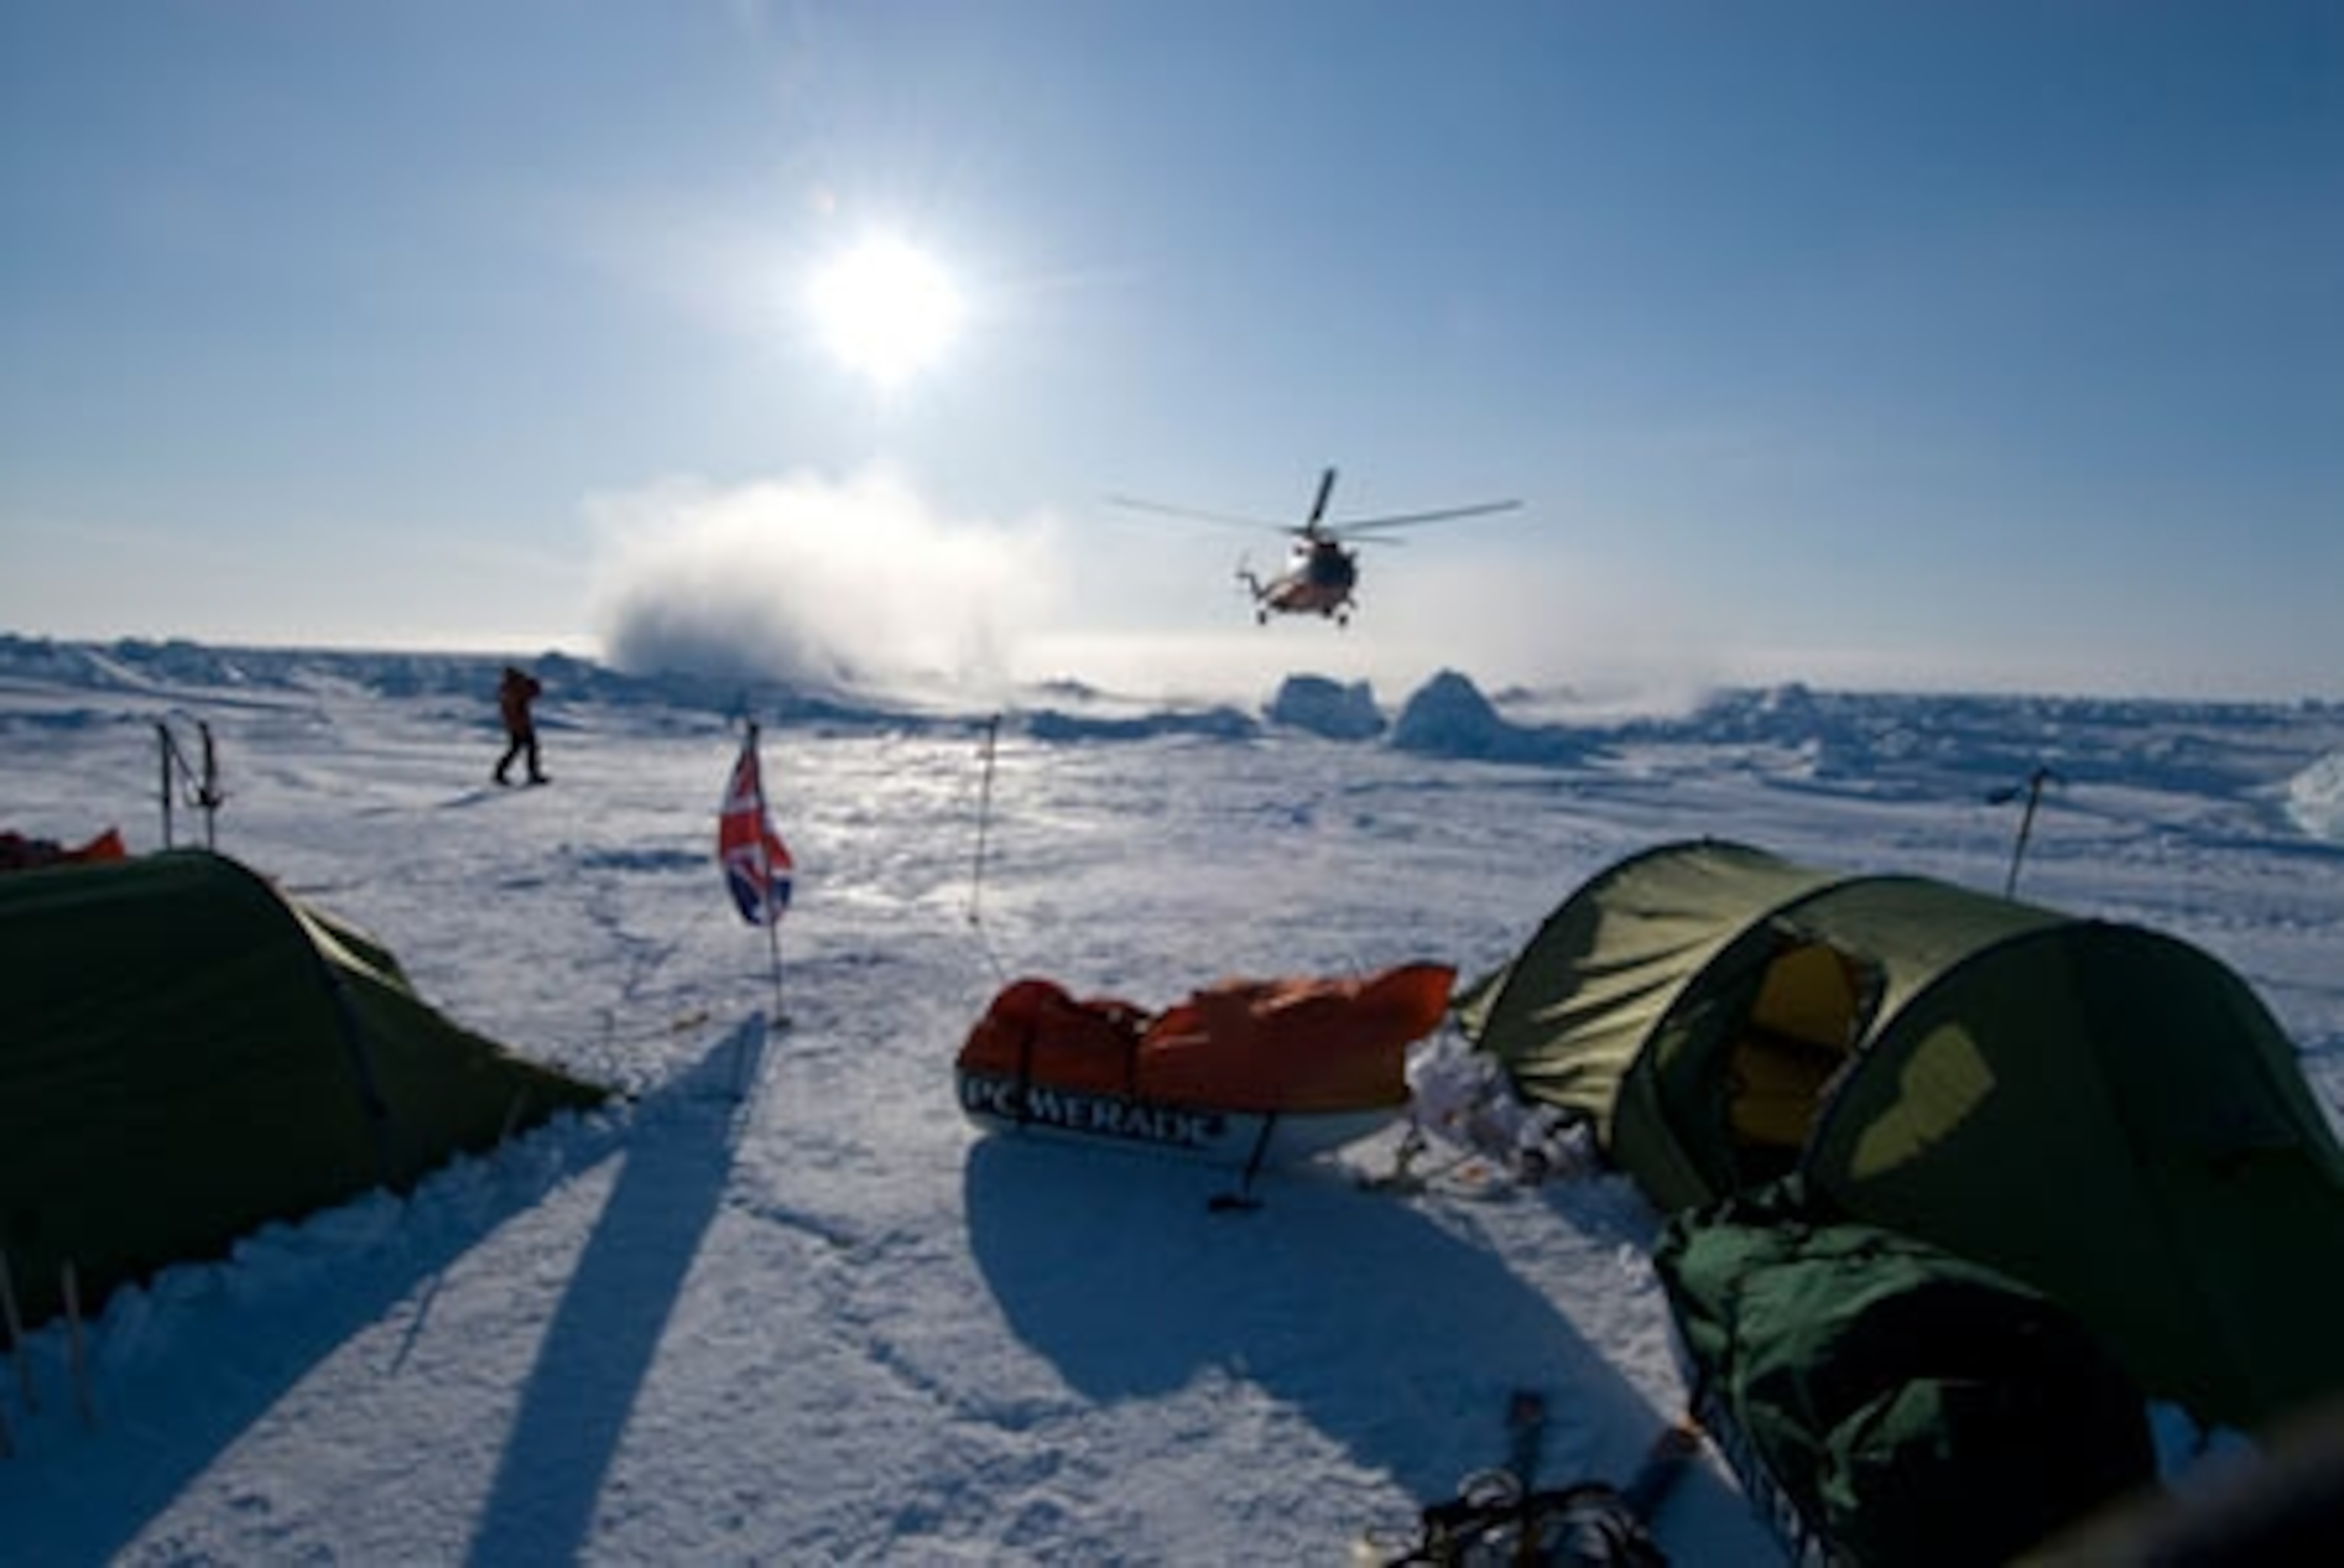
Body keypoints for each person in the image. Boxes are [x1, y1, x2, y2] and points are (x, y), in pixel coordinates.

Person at [494, 664, 546, 785]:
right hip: (520, 724)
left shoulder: (508, 688)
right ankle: (532, 775)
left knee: (517, 749)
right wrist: (533, 684)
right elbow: (534, 693)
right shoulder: (514, 689)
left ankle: (500, 774)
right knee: (528, 748)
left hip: (516, 723)